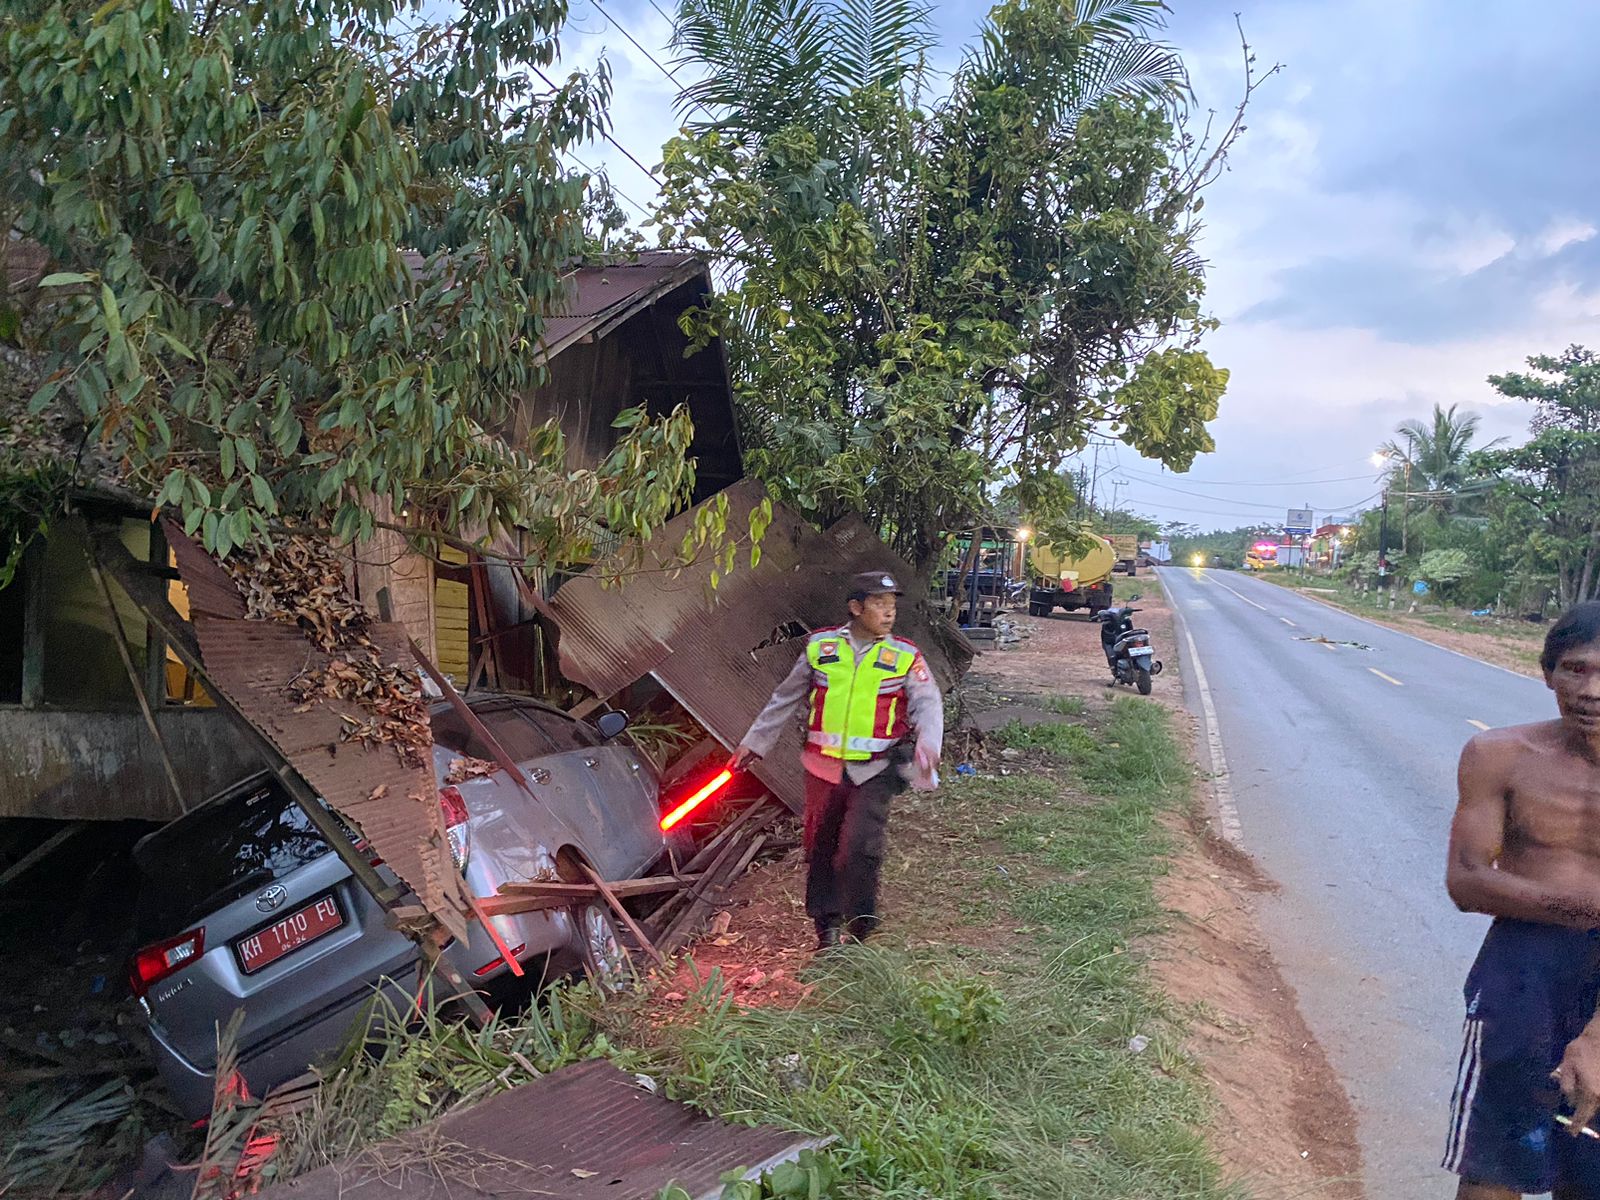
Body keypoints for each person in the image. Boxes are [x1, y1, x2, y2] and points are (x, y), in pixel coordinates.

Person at [1444, 601, 1600, 1198]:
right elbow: (1466, 881)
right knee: (1495, 1162)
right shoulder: (1500, 756)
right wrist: (1588, 909)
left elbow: (1491, 883)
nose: (1590, 691)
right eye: (1574, 669)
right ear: (1546, 674)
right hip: (1524, 974)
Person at [732, 571, 943, 950]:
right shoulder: (820, 647)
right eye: (879, 604)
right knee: (822, 846)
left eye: (892, 605)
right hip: (823, 767)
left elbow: (928, 704)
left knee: (860, 847)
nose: (888, 612)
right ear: (856, 608)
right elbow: (785, 697)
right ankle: (826, 929)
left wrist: (928, 746)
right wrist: (755, 743)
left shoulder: (905, 656)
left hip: (876, 768)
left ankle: (860, 925)